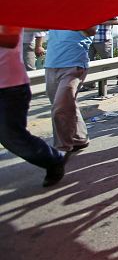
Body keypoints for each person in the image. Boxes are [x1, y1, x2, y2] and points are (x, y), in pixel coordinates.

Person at [0, 26, 67, 187]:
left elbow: (10, 40)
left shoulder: (7, 10)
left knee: (11, 136)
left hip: (9, 87)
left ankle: (53, 158)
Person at [44, 27, 97, 152]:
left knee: (60, 108)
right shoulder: (55, 12)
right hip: (51, 64)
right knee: (66, 104)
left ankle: (61, 149)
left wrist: (77, 23)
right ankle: (80, 138)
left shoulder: (86, 11)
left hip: (74, 64)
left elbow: (91, 31)